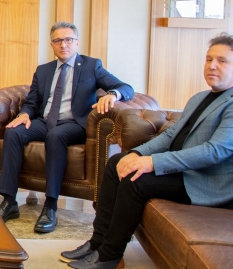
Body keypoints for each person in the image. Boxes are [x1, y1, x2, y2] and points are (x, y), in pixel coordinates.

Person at [61, 34, 233, 268]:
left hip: (206, 181)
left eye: (222, 61)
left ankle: (110, 255)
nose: (212, 66)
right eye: (209, 59)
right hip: (184, 171)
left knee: (135, 180)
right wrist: (138, 154)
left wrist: (153, 162)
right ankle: (97, 242)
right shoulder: (200, 98)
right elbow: (171, 136)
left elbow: (215, 151)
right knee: (117, 162)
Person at [0, 21, 134, 233]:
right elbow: (32, 102)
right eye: (58, 40)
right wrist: (24, 114)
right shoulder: (43, 70)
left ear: (77, 42)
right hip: (44, 121)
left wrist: (113, 95)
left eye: (68, 40)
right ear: (52, 44)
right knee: (13, 132)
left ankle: (50, 206)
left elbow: (125, 87)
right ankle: (9, 201)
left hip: (74, 123)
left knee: (56, 136)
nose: (63, 45)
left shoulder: (91, 66)